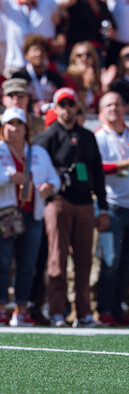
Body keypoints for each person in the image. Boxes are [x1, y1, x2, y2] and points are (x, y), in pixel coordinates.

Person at [34, 87, 109, 328]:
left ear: (77, 107)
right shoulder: (46, 138)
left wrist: (104, 208)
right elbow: (36, 172)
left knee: (84, 261)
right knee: (56, 259)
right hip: (58, 202)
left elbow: (97, 173)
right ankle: (56, 312)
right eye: (62, 104)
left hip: (85, 202)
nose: (67, 109)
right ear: (55, 108)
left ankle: (84, 313)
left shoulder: (87, 136)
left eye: (70, 104)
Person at [0, 108, 60, 327]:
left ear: (26, 128)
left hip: (32, 214)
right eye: (10, 123)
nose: (14, 128)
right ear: (3, 127)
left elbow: (55, 179)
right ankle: (1, 309)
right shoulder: (0, 149)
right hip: (5, 215)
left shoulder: (37, 152)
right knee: (3, 263)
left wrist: (50, 186)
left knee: (28, 265)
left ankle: (21, 309)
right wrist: (8, 177)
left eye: (19, 123)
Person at [93, 92, 129, 326]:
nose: (114, 108)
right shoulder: (98, 137)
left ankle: (117, 307)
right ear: (101, 111)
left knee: (127, 264)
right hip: (113, 207)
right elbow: (97, 168)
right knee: (110, 262)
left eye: (117, 103)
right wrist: (126, 163)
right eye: (109, 105)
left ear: (125, 108)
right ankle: (104, 308)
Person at [62, 41, 103, 115]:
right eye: (79, 55)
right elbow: (77, 105)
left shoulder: (99, 78)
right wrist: (86, 86)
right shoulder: (67, 78)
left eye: (88, 55)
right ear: (74, 58)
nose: (84, 58)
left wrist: (106, 86)